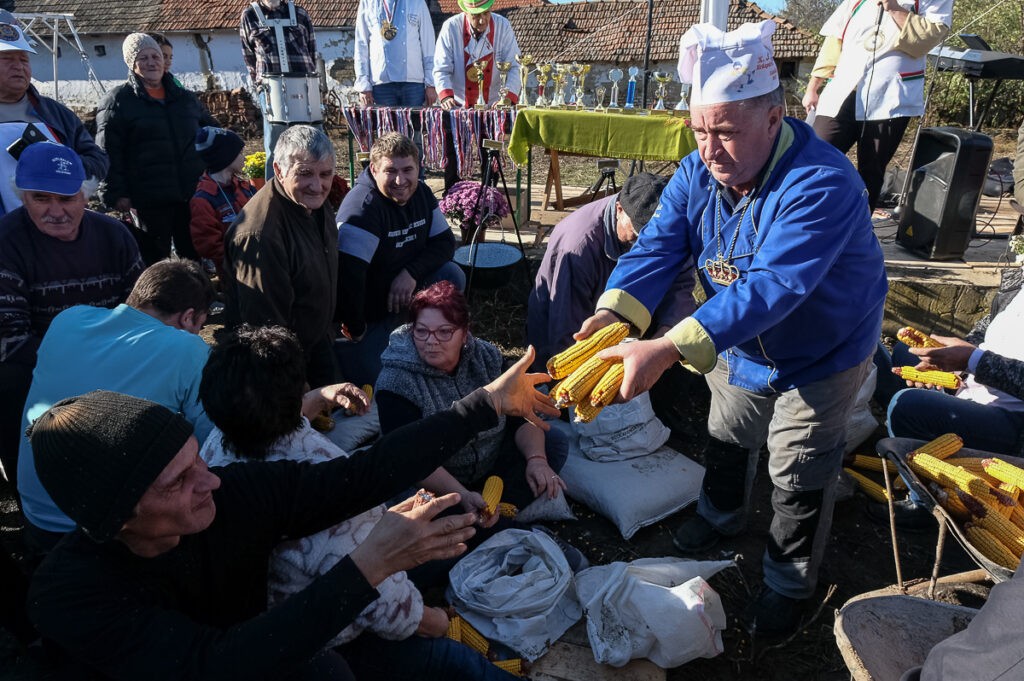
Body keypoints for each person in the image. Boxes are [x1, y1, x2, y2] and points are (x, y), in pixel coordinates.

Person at [575, 21, 887, 638]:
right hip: (732, 340)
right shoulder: (697, 174)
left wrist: (665, 346)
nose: (709, 149)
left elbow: (775, 287)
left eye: (724, 132)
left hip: (821, 348)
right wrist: (616, 312)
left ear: (773, 119)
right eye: (698, 131)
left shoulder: (820, 183)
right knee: (727, 427)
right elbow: (656, 247)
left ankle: (787, 584)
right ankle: (719, 515)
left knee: (798, 468)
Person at [25, 348, 558, 679]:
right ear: (120, 519)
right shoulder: (74, 597)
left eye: (196, 461)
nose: (208, 480)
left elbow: (361, 477)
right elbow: (217, 665)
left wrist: (485, 403)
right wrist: (369, 565)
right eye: (179, 482)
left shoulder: (230, 493)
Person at [199, 324, 518, 681]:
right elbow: (383, 601)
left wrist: (321, 395)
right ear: (297, 390)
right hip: (328, 632)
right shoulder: (324, 488)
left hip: (271, 603)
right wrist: (437, 621)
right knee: (456, 661)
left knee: (443, 522)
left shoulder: (219, 444)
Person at [16, 259, 215, 554]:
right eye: (200, 325)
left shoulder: (68, 319)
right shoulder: (188, 348)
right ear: (188, 318)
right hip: (110, 531)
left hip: (38, 514)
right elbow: (210, 443)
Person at [0, 142, 142, 486]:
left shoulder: (115, 235)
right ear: (22, 197)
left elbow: (141, 310)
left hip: (112, 361)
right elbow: (11, 340)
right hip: (36, 375)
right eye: (41, 198)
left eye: (66, 199)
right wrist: (87, 364)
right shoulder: (7, 243)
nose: (56, 211)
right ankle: (28, 485)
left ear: (85, 196)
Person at [378, 280, 569, 514]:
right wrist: (463, 495)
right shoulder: (396, 382)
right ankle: (486, 517)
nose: (431, 341)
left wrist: (537, 459)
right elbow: (410, 458)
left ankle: (495, 512)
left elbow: (520, 417)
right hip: (433, 477)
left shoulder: (487, 357)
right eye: (421, 331)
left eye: (444, 332)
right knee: (420, 507)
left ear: (465, 334)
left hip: (491, 461)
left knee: (554, 444)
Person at [870, 268, 1024, 527]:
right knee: (905, 352)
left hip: (1013, 422)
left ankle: (926, 506)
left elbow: (978, 356)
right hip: (974, 384)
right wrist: (951, 360)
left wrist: (972, 360)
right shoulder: (1018, 282)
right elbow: (982, 336)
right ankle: (906, 438)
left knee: (906, 406)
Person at [527, 172, 696, 370]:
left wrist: (665, 340)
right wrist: (578, 373)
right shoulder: (577, 248)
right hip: (568, 326)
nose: (643, 245)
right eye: (638, 234)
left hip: (628, 330)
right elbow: (566, 325)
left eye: (653, 237)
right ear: (619, 209)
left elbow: (680, 283)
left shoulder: (670, 229)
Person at [334, 132, 464, 387]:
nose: (400, 180)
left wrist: (411, 273)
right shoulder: (363, 209)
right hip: (369, 312)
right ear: (373, 169)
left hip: (404, 295)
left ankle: (426, 335)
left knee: (451, 274)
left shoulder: (422, 193)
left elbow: (445, 243)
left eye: (407, 170)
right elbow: (349, 280)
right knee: (382, 382)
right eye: (390, 170)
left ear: (419, 168)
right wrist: (357, 328)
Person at [801, 0, 952, 212]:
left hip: (889, 96)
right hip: (844, 91)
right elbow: (835, 41)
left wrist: (894, 8)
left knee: (870, 171)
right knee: (813, 158)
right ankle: (808, 221)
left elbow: (927, 39)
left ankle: (859, 235)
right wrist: (813, 87)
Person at [223, 124, 340, 389]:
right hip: (280, 365)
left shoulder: (313, 205)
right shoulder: (260, 234)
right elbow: (264, 325)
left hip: (316, 340)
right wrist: (295, 382)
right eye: (305, 173)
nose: (317, 185)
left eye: (325, 174)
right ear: (278, 170)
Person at [96, 32, 219, 264]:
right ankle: (160, 299)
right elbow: (109, 150)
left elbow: (212, 129)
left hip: (189, 191)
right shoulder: (118, 101)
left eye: (156, 56)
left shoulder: (183, 97)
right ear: (132, 64)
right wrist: (115, 192)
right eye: (143, 58)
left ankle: (197, 297)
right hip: (148, 197)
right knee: (154, 257)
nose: (151, 62)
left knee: (192, 253)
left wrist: (222, 163)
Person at [0, 21, 108, 215]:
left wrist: (62, 166)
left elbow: (98, 160)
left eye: (24, 60)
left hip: (56, 226)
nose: (18, 67)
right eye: (7, 59)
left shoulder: (55, 113)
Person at [433, 0, 521, 190]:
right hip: (457, 104)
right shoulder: (451, 27)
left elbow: (514, 66)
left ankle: (490, 198)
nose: (482, 21)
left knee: (491, 155)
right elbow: (441, 68)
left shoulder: (503, 26)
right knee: (453, 154)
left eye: (486, 14)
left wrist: (508, 97)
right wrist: (446, 95)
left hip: (491, 104)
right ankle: (452, 198)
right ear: (465, 12)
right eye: (476, 16)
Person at [240, 0, 320, 179]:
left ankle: (313, 191)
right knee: (274, 147)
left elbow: (312, 50)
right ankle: (273, 197)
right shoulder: (250, 15)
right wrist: (260, 85)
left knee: (311, 141)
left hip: (303, 88)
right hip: (271, 90)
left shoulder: (300, 14)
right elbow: (249, 56)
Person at [189, 126, 257, 280]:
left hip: (260, 264)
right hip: (234, 275)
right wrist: (239, 257)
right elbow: (207, 245)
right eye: (239, 153)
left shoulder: (244, 187)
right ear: (226, 157)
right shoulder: (203, 199)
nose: (244, 158)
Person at [354, 0, 437, 108]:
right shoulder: (367, 2)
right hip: (381, 84)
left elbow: (429, 45)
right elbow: (361, 46)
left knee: (415, 124)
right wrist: (363, 85)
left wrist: (431, 83)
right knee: (384, 124)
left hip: (414, 83)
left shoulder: (417, 2)